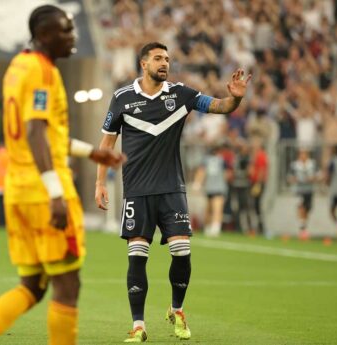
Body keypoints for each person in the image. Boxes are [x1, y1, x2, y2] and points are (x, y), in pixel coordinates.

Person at [0, 5, 125, 345]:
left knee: (32, 286)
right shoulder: (43, 72)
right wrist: (56, 192)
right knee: (68, 286)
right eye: (66, 31)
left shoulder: (18, 66)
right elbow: (35, 133)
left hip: (19, 192)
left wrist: (91, 152)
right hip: (45, 193)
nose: (73, 37)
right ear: (44, 36)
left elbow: (46, 134)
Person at [95, 42, 251, 342]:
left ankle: (177, 310)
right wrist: (100, 183)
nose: (164, 63)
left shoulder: (181, 94)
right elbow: (106, 146)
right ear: (143, 64)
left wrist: (235, 100)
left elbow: (218, 106)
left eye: (167, 58)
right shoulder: (122, 98)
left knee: (182, 251)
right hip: (137, 191)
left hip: (171, 189)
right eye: (157, 58)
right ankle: (139, 325)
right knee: (137, 256)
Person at [192, 145, 232, 237]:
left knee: (209, 209)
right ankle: (215, 228)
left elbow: (201, 172)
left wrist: (197, 185)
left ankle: (207, 227)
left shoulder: (206, 160)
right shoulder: (222, 160)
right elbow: (228, 174)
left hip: (209, 187)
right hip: (219, 187)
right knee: (217, 209)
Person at [289, 149, 317, 240]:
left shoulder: (312, 164)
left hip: (309, 189)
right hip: (299, 189)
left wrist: (313, 178)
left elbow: (318, 175)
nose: (303, 156)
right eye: (301, 154)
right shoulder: (295, 165)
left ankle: (303, 226)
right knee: (301, 207)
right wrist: (295, 179)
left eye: (304, 154)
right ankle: (302, 229)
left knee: (308, 208)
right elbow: (290, 177)